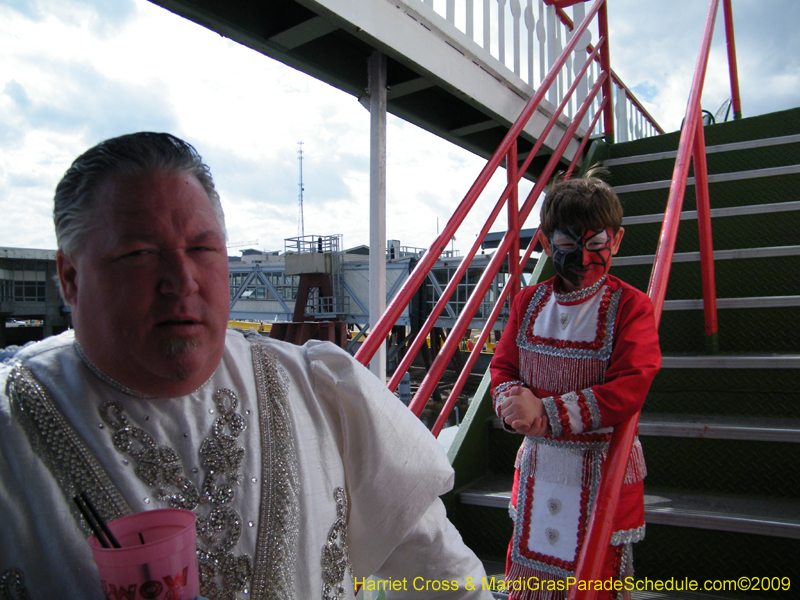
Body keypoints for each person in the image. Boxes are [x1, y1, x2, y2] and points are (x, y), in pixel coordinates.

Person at [0, 132, 493, 600]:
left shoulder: (318, 389)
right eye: (140, 253)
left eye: (202, 248)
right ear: (70, 277)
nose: (182, 280)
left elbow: (441, 572)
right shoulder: (12, 430)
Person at [489, 171, 661, 600]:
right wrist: (512, 407)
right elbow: (503, 367)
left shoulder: (631, 307)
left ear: (616, 241)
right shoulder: (527, 302)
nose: (583, 259)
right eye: (568, 244)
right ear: (547, 245)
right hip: (539, 466)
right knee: (531, 572)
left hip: (602, 469)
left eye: (596, 244)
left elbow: (631, 384)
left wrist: (545, 413)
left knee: (596, 575)